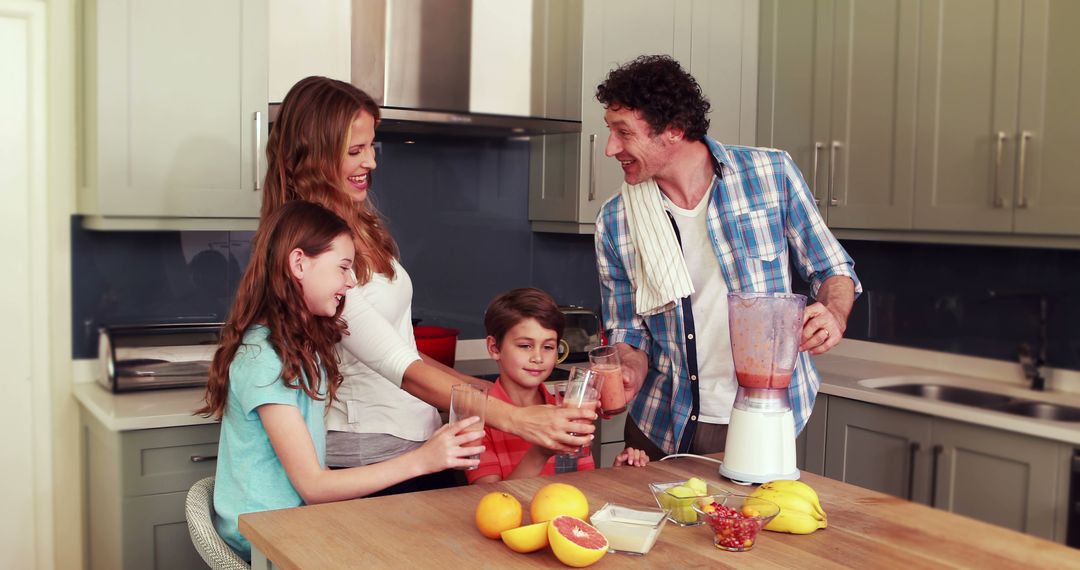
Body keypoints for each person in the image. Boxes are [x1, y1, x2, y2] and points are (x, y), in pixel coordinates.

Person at [262, 76, 593, 491]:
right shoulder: (313, 253)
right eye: (355, 151)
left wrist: (499, 394)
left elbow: (403, 349)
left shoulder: (356, 229)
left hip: (422, 441)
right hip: (371, 450)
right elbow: (399, 367)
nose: (371, 162)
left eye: (371, 146)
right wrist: (516, 418)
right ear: (312, 157)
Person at [592, 55, 862, 460]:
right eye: (610, 132)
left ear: (673, 130)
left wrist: (834, 312)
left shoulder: (771, 174)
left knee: (749, 522)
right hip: (662, 421)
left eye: (623, 133)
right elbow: (627, 330)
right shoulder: (616, 220)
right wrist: (628, 368)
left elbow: (832, 269)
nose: (612, 148)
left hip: (764, 415)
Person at [197, 200, 484, 561]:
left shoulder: (299, 347)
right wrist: (424, 460)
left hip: (293, 522)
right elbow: (314, 485)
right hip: (266, 537)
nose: (350, 282)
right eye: (344, 268)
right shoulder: (263, 360)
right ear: (299, 263)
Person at [467, 288, 650, 484]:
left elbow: (582, 486)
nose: (537, 357)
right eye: (525, 346)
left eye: (548, 347)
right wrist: (540, 453)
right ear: (494, 348)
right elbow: (490, 503)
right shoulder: (475, 421)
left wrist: (618, 474)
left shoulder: (568, 412)